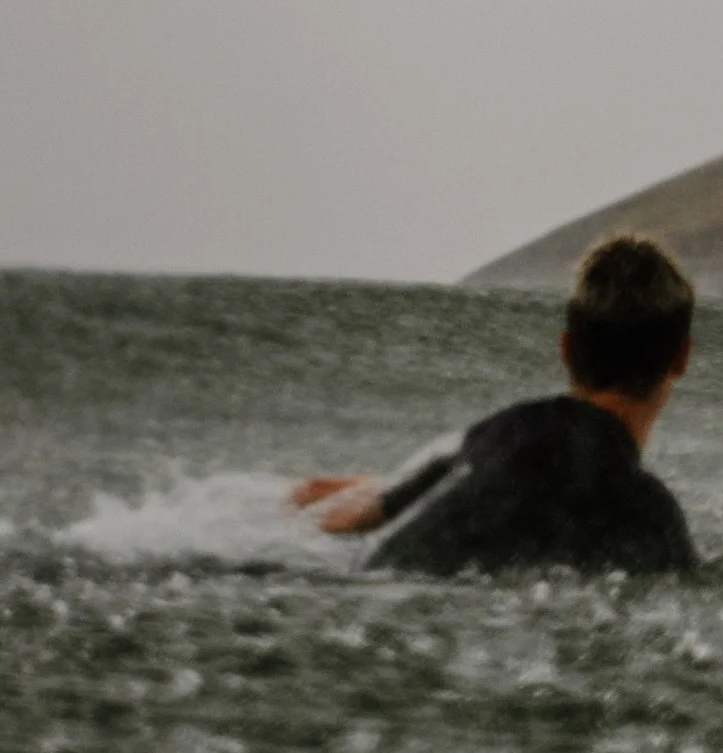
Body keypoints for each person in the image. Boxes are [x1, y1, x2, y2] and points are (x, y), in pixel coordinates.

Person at [290, 235, 700, 575]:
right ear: (681, 358)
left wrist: (379, 489)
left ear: (566, 349)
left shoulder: (499, 434)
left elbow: (354, 517)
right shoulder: (650, 514)